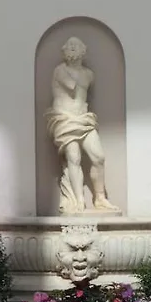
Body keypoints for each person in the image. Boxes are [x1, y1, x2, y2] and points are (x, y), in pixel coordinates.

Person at [43, 37, 118, 214]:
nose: (72, 47)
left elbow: (82, 84)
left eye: (75, 45)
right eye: (69, 45)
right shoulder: (60, 70)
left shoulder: (89, 74)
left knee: (98, 157)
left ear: (83, 50)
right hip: (64, 119)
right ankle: (79, 201)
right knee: (74, 158)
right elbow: (72, 85)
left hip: (84, 119)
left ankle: (100, 198)